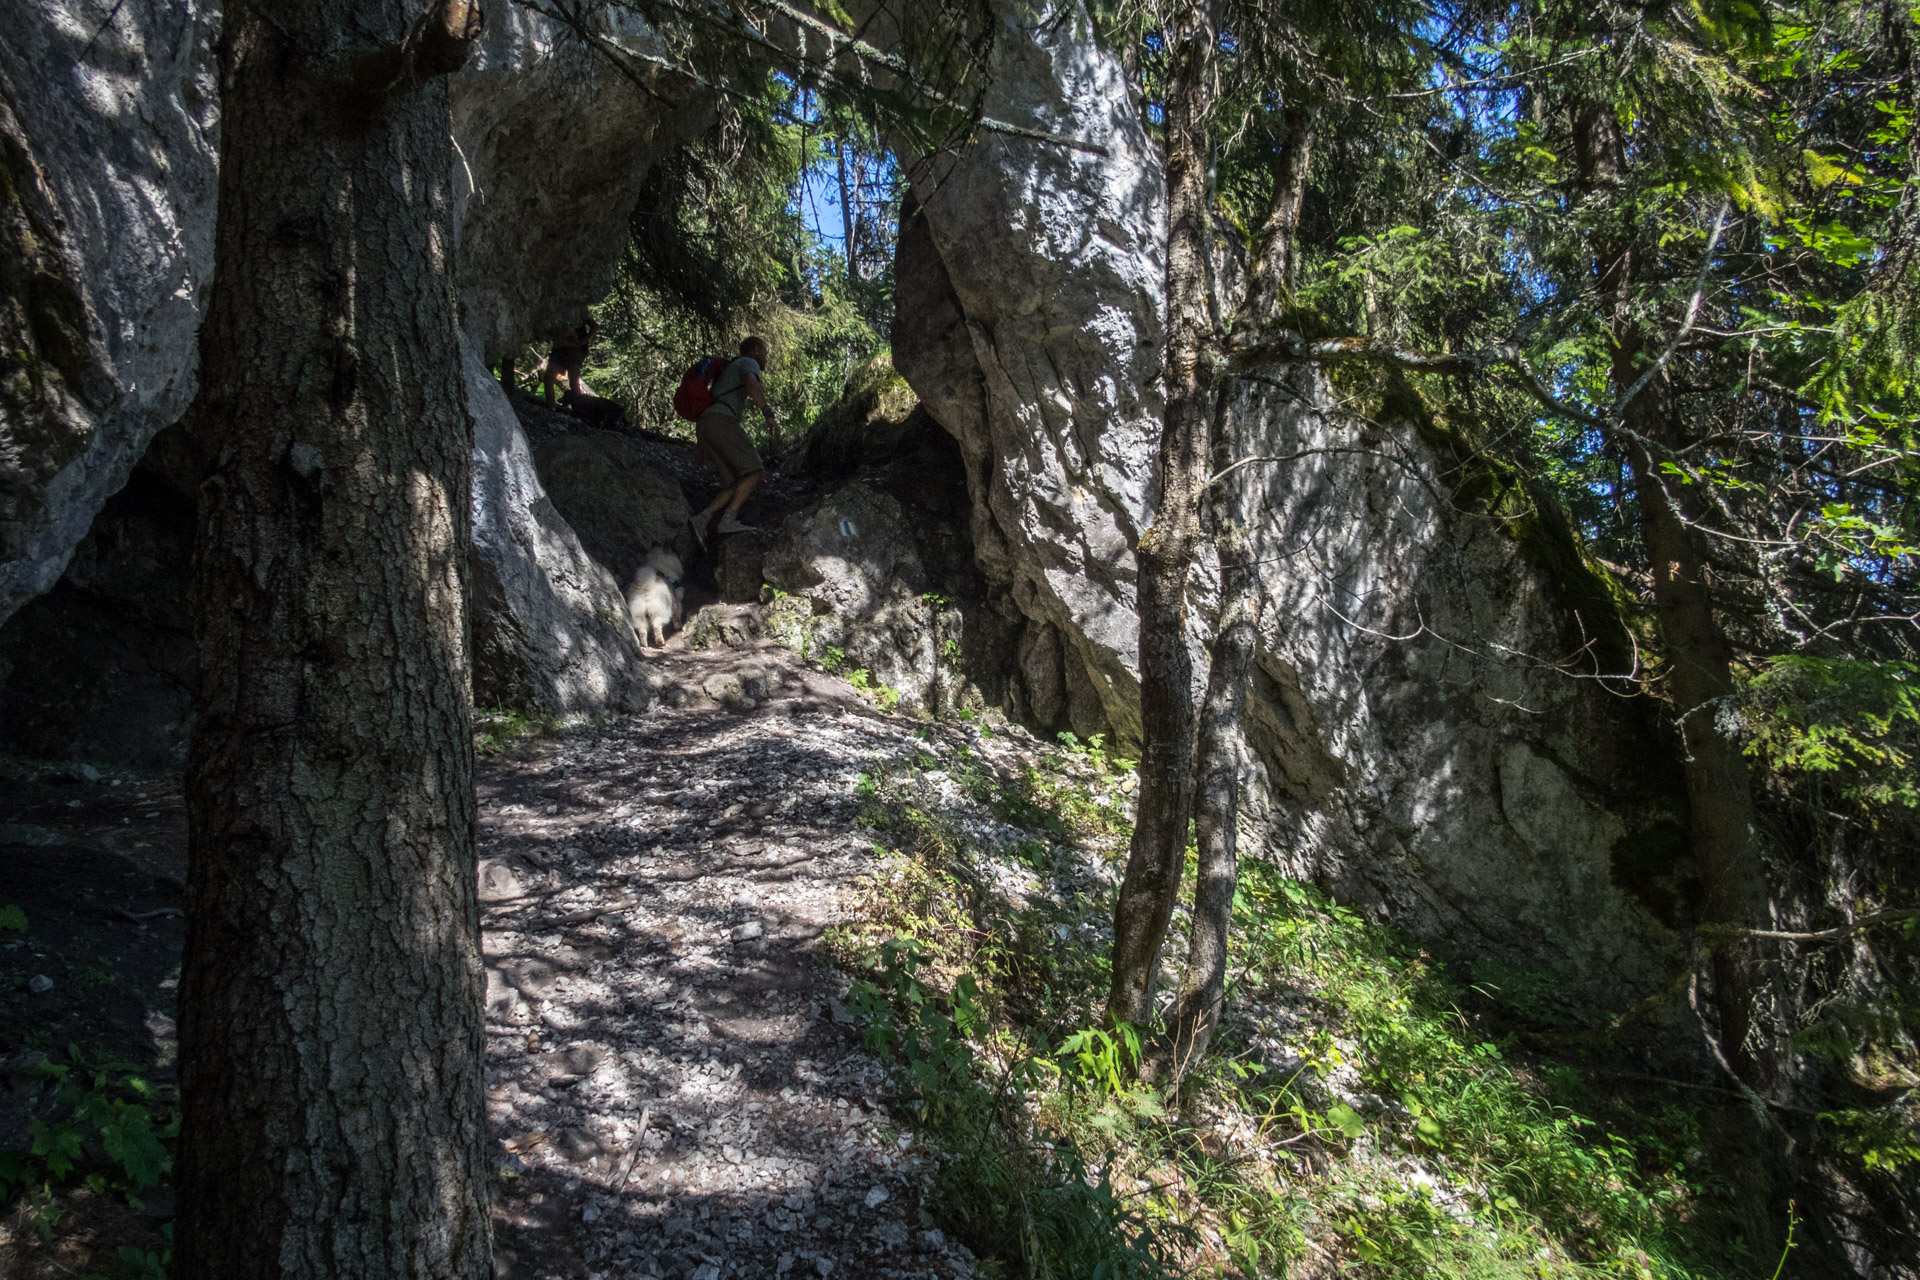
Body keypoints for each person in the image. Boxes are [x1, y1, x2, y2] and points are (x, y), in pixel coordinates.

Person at [689, 336, 781, 545]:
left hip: (706, 424)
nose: (765, 358)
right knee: (754, 470)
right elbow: (751, 382)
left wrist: (701, 445)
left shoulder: (728, 370)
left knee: (733, 482)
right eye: (765, 352)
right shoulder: (749, 362)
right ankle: (728, 520)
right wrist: (768, 414)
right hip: (722, 420)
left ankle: (701, 519)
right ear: (757, 350)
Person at [541, 318, 594, 403]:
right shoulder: (555, 311)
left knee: (574, 382)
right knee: (548, 377)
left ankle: (578, 409)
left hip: (572, 350)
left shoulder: (576, 310)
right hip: (557, 349)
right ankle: (551, 406)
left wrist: (582, 342)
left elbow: (594, 326)